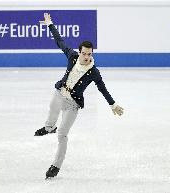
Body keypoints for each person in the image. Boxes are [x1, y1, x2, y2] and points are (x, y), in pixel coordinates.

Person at [35, 13, 124, 179]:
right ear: (80, 52)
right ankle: (49, 128)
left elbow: (102, 89)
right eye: (84, 53)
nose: (86, 57)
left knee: (62, 134)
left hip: (73, 104)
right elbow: (59, 41)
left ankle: (56, 165)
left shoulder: (94, 72)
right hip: (61, 92)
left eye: (89, 54)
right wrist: (50, 24)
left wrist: (113, 104)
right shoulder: (72, 55)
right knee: (53, 107)